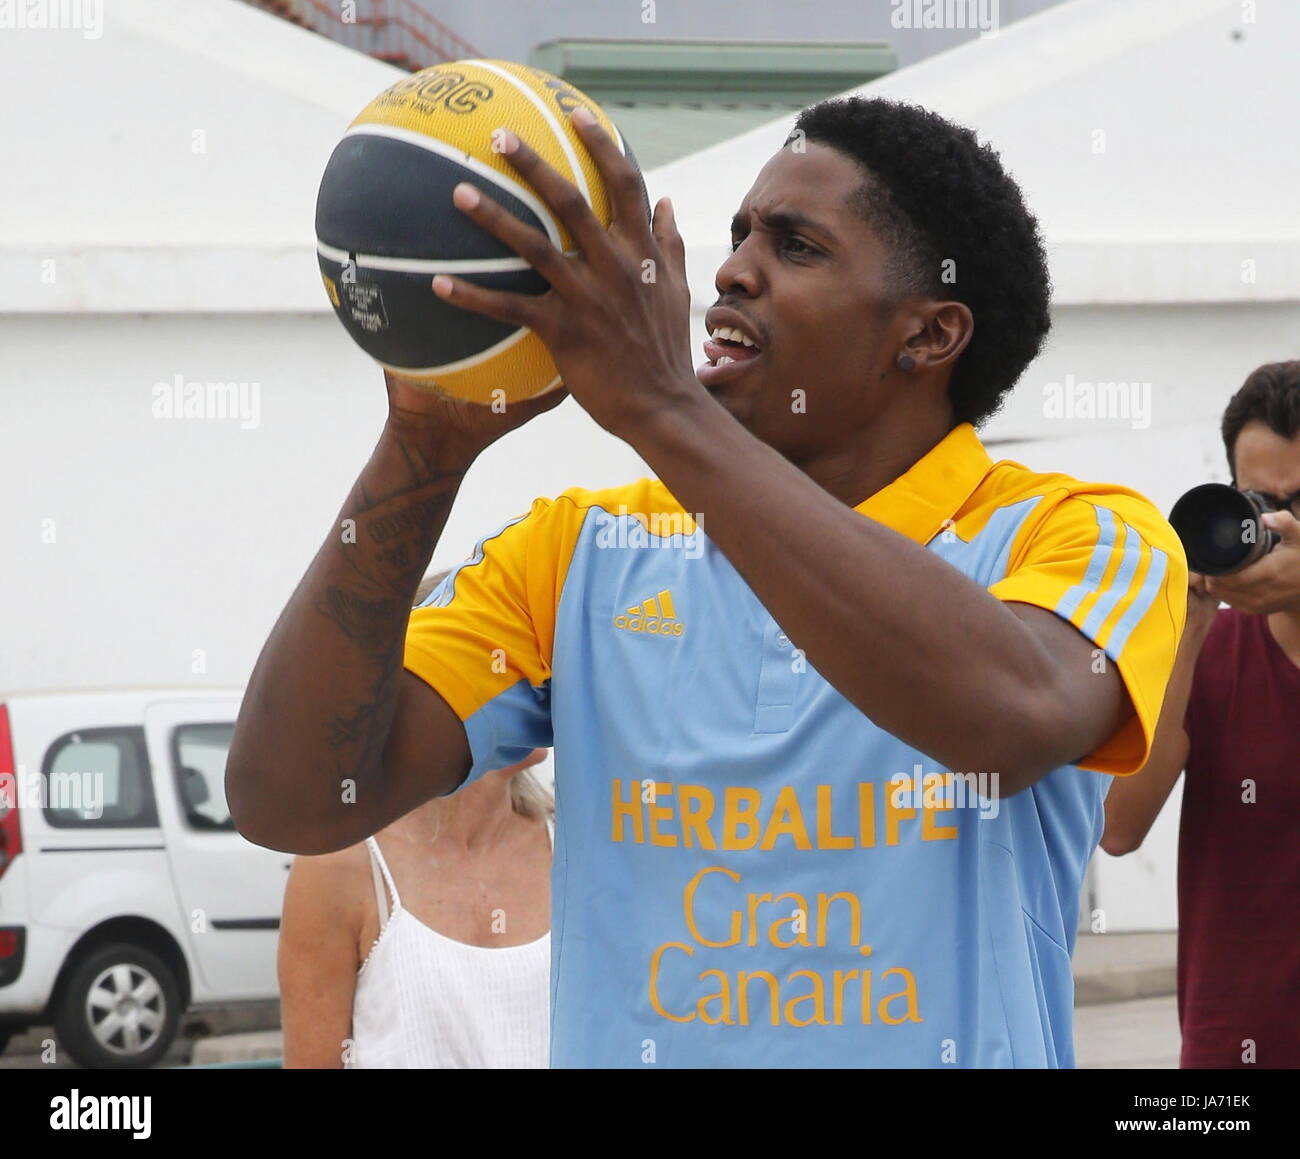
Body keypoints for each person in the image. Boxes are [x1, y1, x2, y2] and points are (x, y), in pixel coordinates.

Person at [229, 97, 1186, 1068]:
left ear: (927, 334)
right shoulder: (583, 550)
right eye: (736, 235)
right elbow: (296, 798)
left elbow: (1006, 717)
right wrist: (420, 448)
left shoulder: (1083, 533)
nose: (731, 270)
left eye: (797, 246)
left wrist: (660, 404)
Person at [1103, 361, 1300, 1069]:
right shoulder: (1209, 643)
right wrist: (1186, 624)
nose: (1277, 525)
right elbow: (1118, 827)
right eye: (1257, 502)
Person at [276, 570, 554, 1069]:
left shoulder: (579, 844)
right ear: (421, 689)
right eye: (501, 659)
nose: (538, 677)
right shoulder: (342, 866)